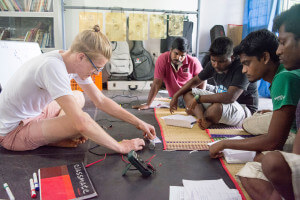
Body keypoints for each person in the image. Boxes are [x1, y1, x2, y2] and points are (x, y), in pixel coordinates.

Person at [0, 25, 156, 153]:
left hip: (34, 114)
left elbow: (100, 100)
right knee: (82, 123)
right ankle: (54, 135)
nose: (96, 73)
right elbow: (82, 123)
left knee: (78, 96)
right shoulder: (52, 67)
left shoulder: (68, 59)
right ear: (81, 57)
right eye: (97, 68)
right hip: (13, 133)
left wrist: (139, 122)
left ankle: (55, 134)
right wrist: (121, 146)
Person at [237, 5, 300, 200]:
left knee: (252, 130)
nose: (278, 51)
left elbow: (275, 141)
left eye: (283, 42)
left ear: (264, 58)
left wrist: (223, 145)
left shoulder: (284, 77)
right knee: (255, 164)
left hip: (288, 133)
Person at [170, 37, 258, 129]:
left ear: (231, 58)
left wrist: (198, 99)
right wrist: (176, 96)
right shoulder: (214, 63)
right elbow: (195, 80)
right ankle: (202, 119)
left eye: (221, 61)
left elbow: (230, 97)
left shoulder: (241, 67)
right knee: (188, 93)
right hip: (222, 99)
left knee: (216, 109)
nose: (216, 65)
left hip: (244, 109)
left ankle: (205, 115)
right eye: (213, 60)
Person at [132, 37, 205, 110]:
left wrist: (198, 98)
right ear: (171, 50)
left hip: (194, 92)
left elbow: (203, 79)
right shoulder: (162, 59)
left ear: (186, 54)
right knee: (206, 107)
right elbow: (156, 83)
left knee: (213, 96)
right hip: (182, 97)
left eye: (182, 56)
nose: (178, 58)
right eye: (176, 53)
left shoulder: (193, 61)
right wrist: (148, 104)